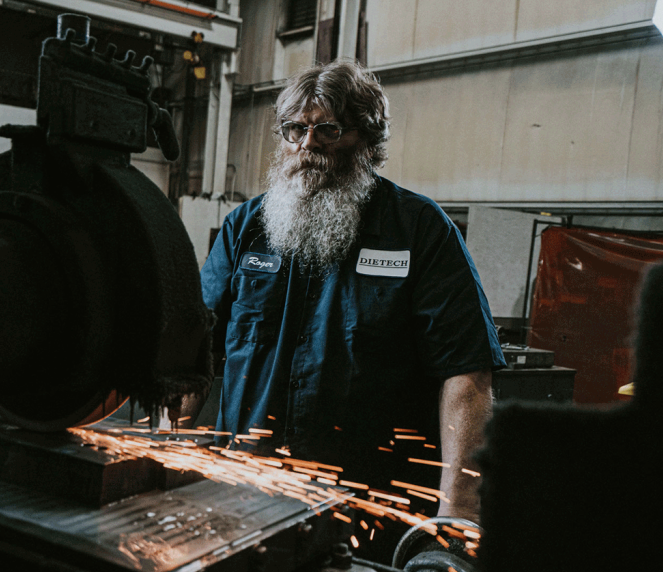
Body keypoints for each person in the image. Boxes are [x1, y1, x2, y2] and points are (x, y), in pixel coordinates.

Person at [200, 60, 505, 535]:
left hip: (368, 507)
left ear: (367, 139)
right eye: (295, 130)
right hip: (245, 493)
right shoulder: (246, 229)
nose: (307, 146)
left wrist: (458, 511)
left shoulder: (420, 231)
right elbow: (192, 346)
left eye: (328, 130)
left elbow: (466, 375)